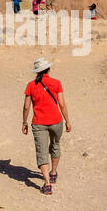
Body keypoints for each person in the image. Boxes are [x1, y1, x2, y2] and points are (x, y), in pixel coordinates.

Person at [21, 57, 72, 196]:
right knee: (55, 145)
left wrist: (24, 122)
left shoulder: (31, 85)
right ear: (48, 69)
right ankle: (54, 173)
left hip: (39, 123)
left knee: (42, 152)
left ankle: (47, 184)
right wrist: (67, 121)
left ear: (36, 71)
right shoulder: (56, 83)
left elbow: (26, 107)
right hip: (56, 120)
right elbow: (62, 104)